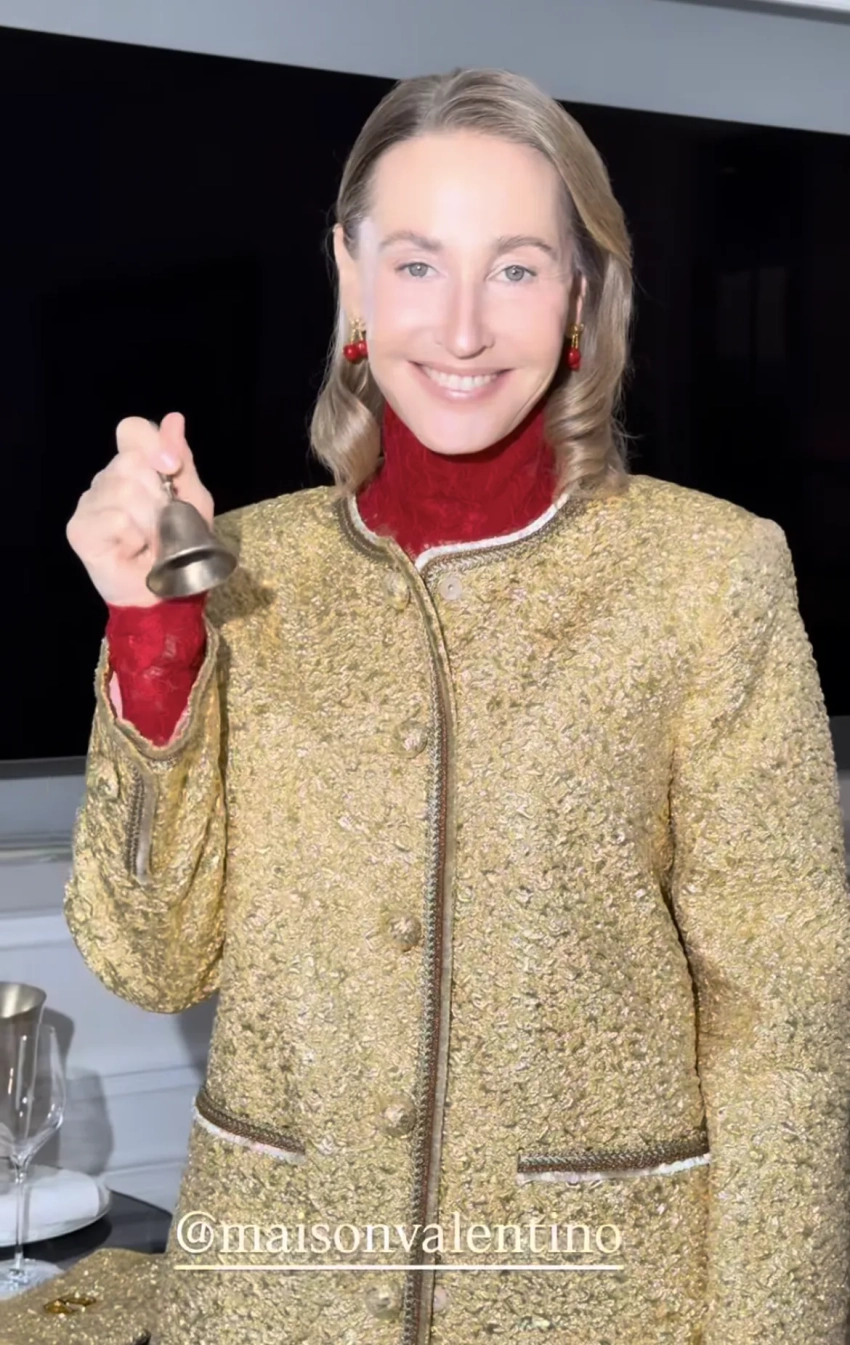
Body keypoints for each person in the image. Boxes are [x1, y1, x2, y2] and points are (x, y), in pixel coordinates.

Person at [63, 66, 850, 1345]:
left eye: (517, 267)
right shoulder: (239, 570)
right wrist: (153, 637)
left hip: (599, 1297)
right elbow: (151, 961)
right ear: (351, 276)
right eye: (419, 263)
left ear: (581, 290)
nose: (466, 327)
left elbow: (787, 1016)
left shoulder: (709, 576)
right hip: (274, 1295)